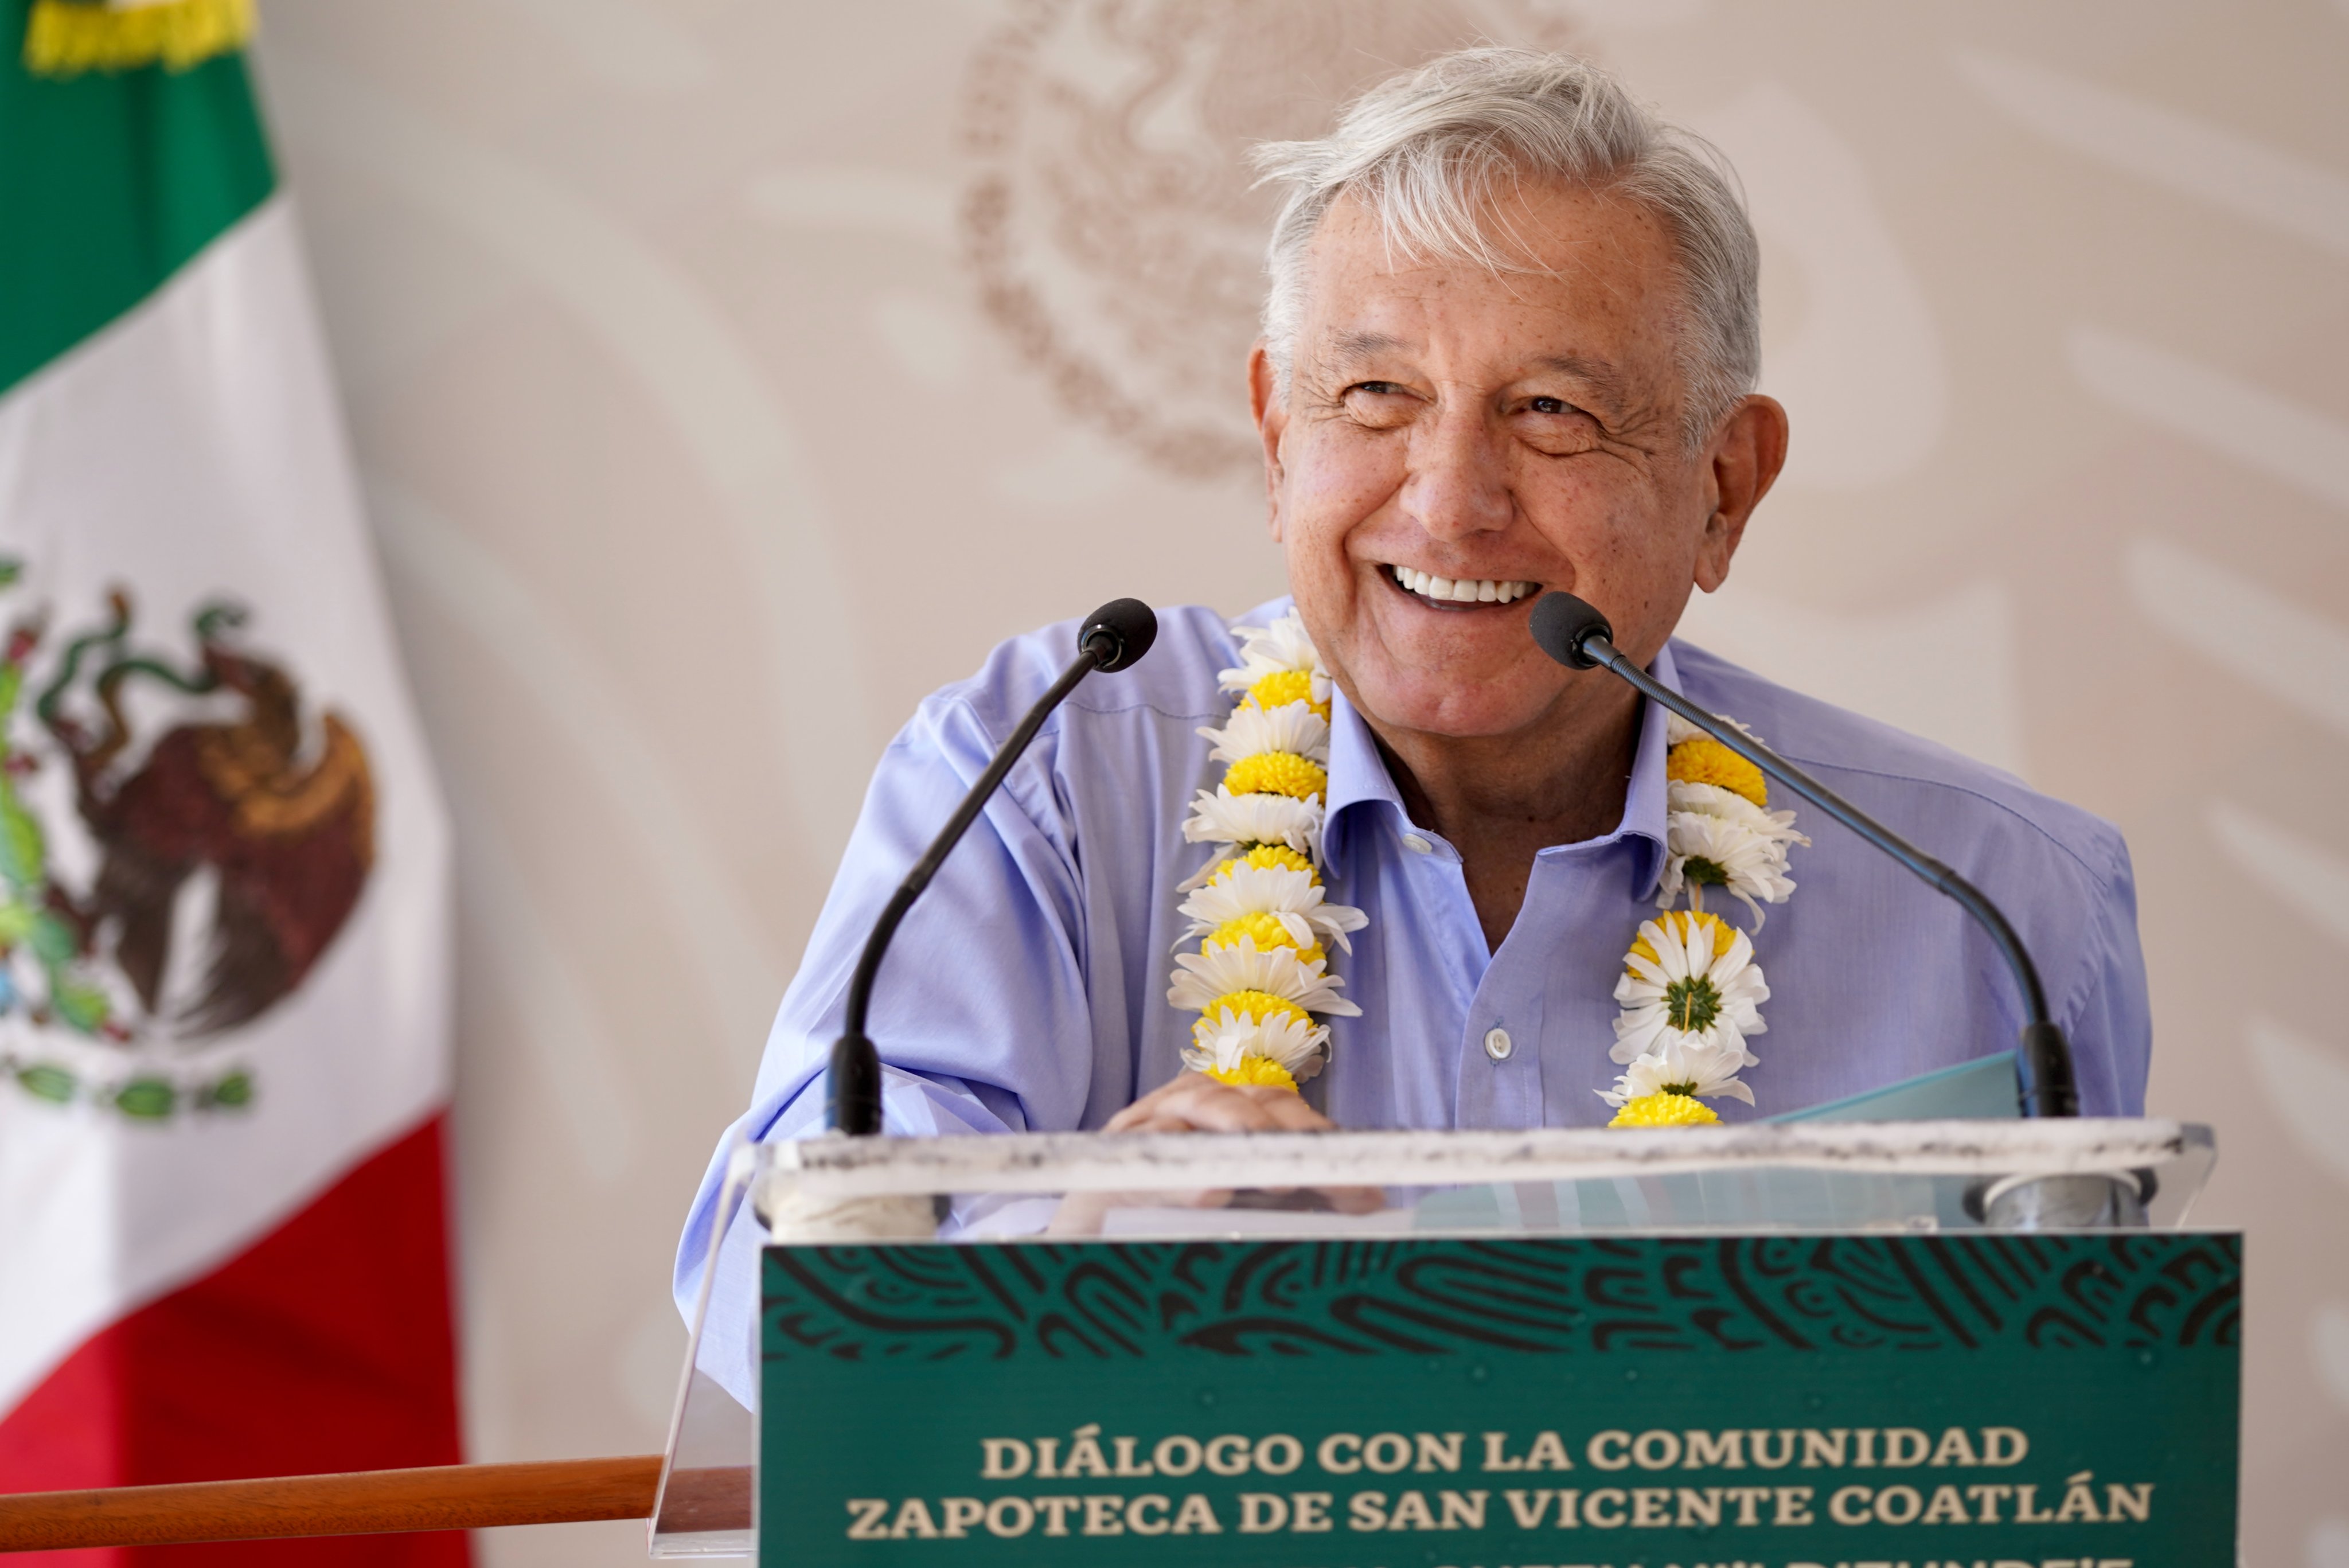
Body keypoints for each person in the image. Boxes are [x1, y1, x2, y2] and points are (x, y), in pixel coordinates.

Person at [675, 47, 2148, 1382]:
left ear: (1722, 486)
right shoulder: (1048, 777)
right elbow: (778, 1287)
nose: (1448, 498)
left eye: (1552, 412)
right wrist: (1081, 1236)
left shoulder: (1991, 913)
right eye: (1375, 395)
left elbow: (2069, 1448)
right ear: (1274, 438)